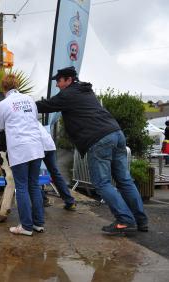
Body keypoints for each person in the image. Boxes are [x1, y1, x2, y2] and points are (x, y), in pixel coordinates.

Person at [36, 66, 148, 234]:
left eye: (59, 81)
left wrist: (24, 104)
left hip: (99, 139)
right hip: (116, 134)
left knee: (102, 183)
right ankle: (141, 220)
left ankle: (125, 221)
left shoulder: (68, 94)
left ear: (68, 80)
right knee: (125, 180)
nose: (57, 85)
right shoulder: (85, 91)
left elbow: (46, 105)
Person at [0, 74, 45, 236]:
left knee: (21, 187)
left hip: (19, 149)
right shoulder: (29, 99)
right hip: (36, 147)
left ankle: (26, 226)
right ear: (17, 85)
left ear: (3, 88)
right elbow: (33, 118)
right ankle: (38, 224)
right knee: (34, 185)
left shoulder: (3, 104)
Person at [39, 124, 76, 211]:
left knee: (31, 177)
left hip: (38, 146)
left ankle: (43, 200)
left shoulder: (18, 119)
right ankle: (70, 202)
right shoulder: (31, 115)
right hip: (49, 145)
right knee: (55, 173)